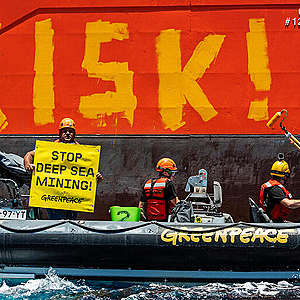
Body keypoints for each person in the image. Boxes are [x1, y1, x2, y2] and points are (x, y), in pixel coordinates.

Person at [24, 117, 103, 220]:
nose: (67, 133)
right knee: (56, 222)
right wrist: (28, 164)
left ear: (74, 134)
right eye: (64, 131)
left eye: (70, 131)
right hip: (53, 196)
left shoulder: (82, 152)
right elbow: (29, 154)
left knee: (71, 222)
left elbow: (86, 172)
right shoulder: (50, 149)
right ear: (60, 133)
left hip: (73, 198)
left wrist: (96, 178)